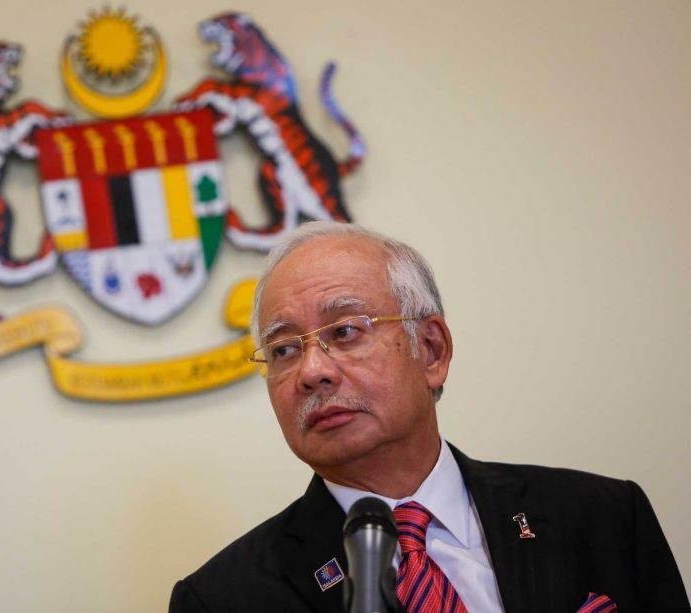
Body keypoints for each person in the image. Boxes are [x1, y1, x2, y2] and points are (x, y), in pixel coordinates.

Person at [168, 221, 689, 612]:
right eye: (283, 350)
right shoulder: (220, 600)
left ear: (432, 350)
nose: (311, 371)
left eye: (345, 332)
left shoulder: (603, 517)